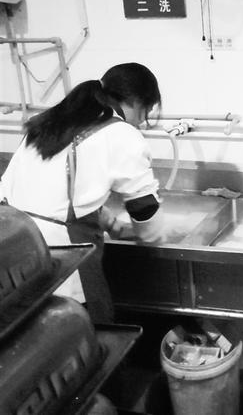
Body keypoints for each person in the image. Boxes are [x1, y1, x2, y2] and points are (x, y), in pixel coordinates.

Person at [0, 62, 169, 324]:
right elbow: (144, 209)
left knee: (28, 335)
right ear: (138, 102)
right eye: (147, 111)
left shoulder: (54, 120)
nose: (142, 120)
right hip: (58, 256)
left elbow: (54, 191)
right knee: (81, 329)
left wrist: (105, 219)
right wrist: (157, 238)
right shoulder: (122, 133)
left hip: (10, 247)